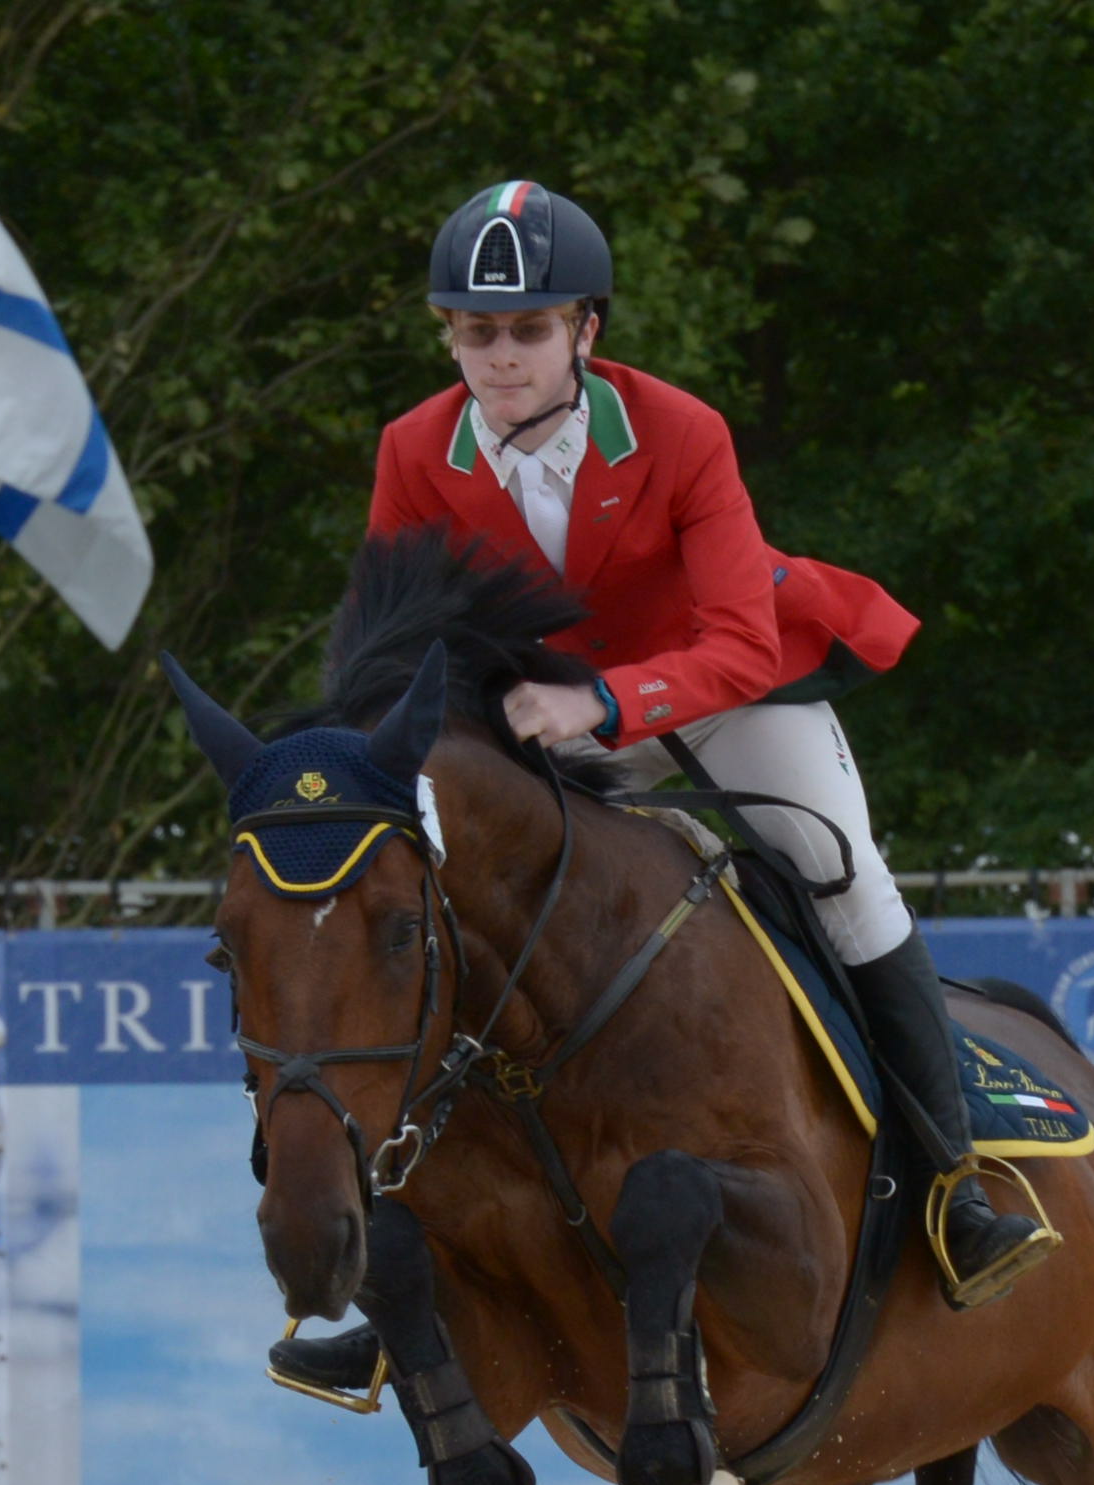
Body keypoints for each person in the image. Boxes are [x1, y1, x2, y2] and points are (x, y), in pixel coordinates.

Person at [265, 179, 1053, 1407]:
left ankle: (960, 1185)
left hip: (724, 693)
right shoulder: (412, 451)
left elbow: (740, 639)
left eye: (528, 331)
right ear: (448, 337)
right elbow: (389, 649)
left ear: (586, 331)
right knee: (422, 910)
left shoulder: (679, 431)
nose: (500, 357)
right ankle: (406, 1270)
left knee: (843, 870)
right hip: (542, 723)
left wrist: (608, 706)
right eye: (476, 333)